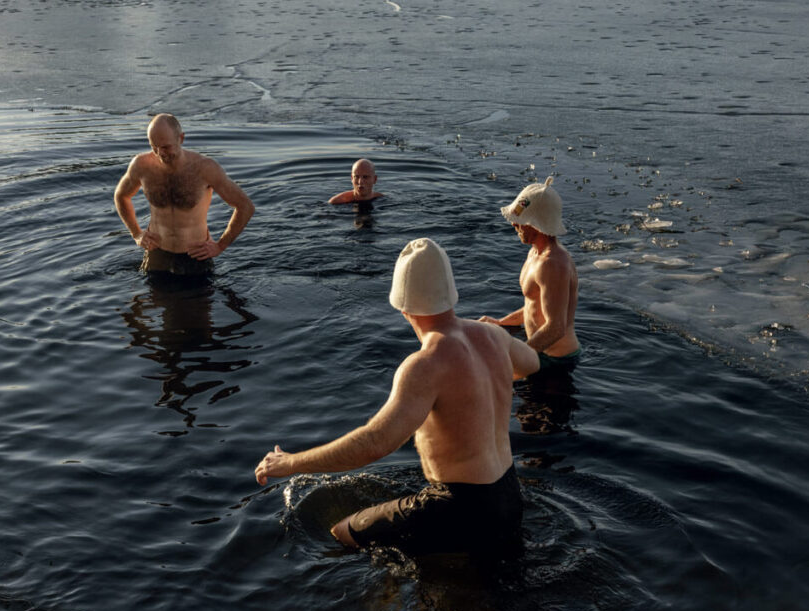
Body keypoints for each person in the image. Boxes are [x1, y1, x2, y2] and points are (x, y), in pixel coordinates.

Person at [254, 238, 540, 556]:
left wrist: (292, 462)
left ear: (403, 307)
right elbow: (532, 363)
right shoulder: (494, 336)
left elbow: (376, 442)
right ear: (451, 292)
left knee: (343, 532)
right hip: (509, 496)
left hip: (459, 505)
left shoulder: (424, 365)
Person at [114, 113, 255, 276]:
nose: (160, 153)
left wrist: (220, 246)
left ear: (181, 138)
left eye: (166, 147)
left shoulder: (204, 168)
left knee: (199, 301)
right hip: (157, 255)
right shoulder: (141, 166)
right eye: (154, 146)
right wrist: (136, 233)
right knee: (154, 300)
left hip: (196, 257)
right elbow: (121, 196)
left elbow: (245, 206)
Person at [479, 177, 581, 370]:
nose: (514, 225)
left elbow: (556, 328)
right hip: (538, 352)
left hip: (556, 362)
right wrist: (501, 323)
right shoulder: (535, 253)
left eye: (520, 221)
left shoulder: (553, 264)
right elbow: (535, 307)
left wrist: (515, 361)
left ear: (538, 224)